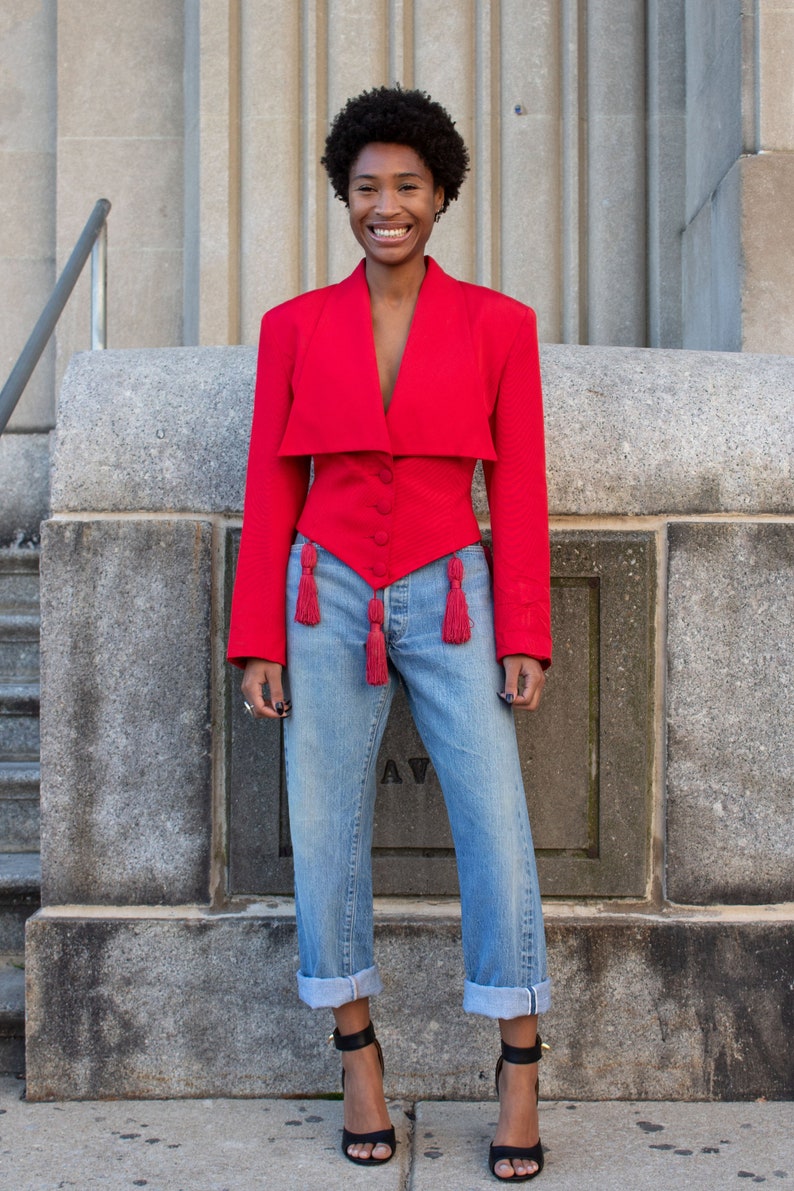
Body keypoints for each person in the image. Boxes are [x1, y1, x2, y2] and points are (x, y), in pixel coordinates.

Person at [228, 85, 552, 1182]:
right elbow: (272, 485)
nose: (385, 206)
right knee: (322, 829)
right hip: (321, 595)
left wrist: (526, 629)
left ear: (441, 192)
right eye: (365, 188)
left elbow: (519, 488)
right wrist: (256, 636)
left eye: (406, 186)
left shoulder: (499, 325)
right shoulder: (292, 328)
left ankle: (518, 1062)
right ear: (344, 196)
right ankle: (357, 1056)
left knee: (494, 826)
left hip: (451, 588)